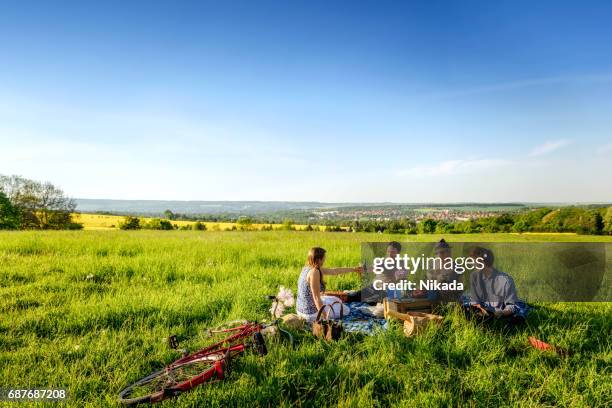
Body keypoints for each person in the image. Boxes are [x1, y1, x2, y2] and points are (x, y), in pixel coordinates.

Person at [462, 247, 529, 323]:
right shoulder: (474, 276)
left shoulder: (505, 281)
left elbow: (511, 307)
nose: (471, 265)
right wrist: (477, 307)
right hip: (484, 310)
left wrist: (501, 313)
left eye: (473, 262)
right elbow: (475, 301)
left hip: (497, 312)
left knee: (519, 309)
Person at [296, 247, 362, 322]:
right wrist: (325, 318)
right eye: (324, 258)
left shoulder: (307, 267)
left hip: (300, 310)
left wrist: (354, 269)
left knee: (335, 299)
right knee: (345, 310)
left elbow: (334, 271)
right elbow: (316, 298)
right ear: (319, 259)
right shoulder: (314, 272)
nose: (325, 260)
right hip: (310, 314)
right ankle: (321, 316)